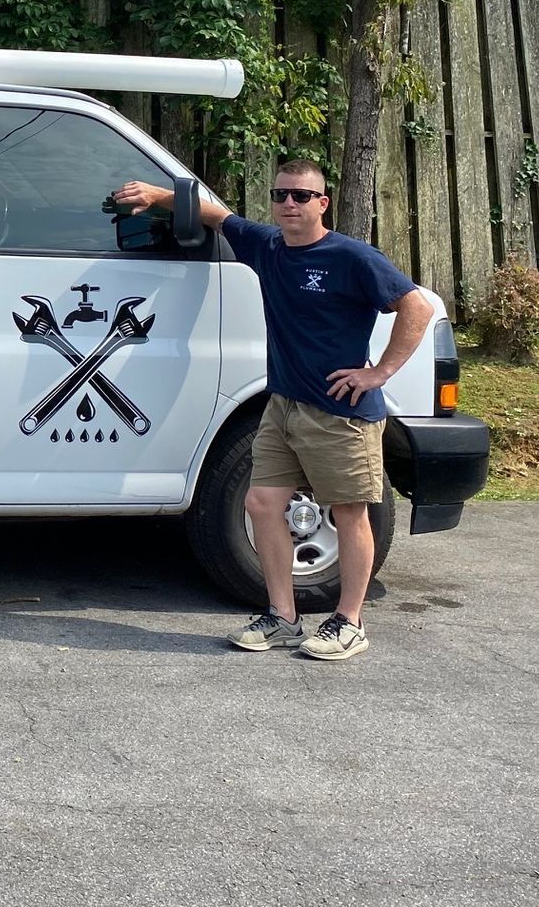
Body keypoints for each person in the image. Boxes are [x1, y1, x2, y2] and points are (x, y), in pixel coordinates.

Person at [111, 160, 431, 661]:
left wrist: (379, 373)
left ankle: (349, 621)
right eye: (281, 194)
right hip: (283, 406)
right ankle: (283, 617)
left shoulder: (350, 256)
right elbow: (218, 217)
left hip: (340, 412)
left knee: (349, 514)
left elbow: (416, 307)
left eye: (302, 196)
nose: (289, 204)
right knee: (262, 505)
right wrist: (159, 194)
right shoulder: (268, 246)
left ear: (322, 203)